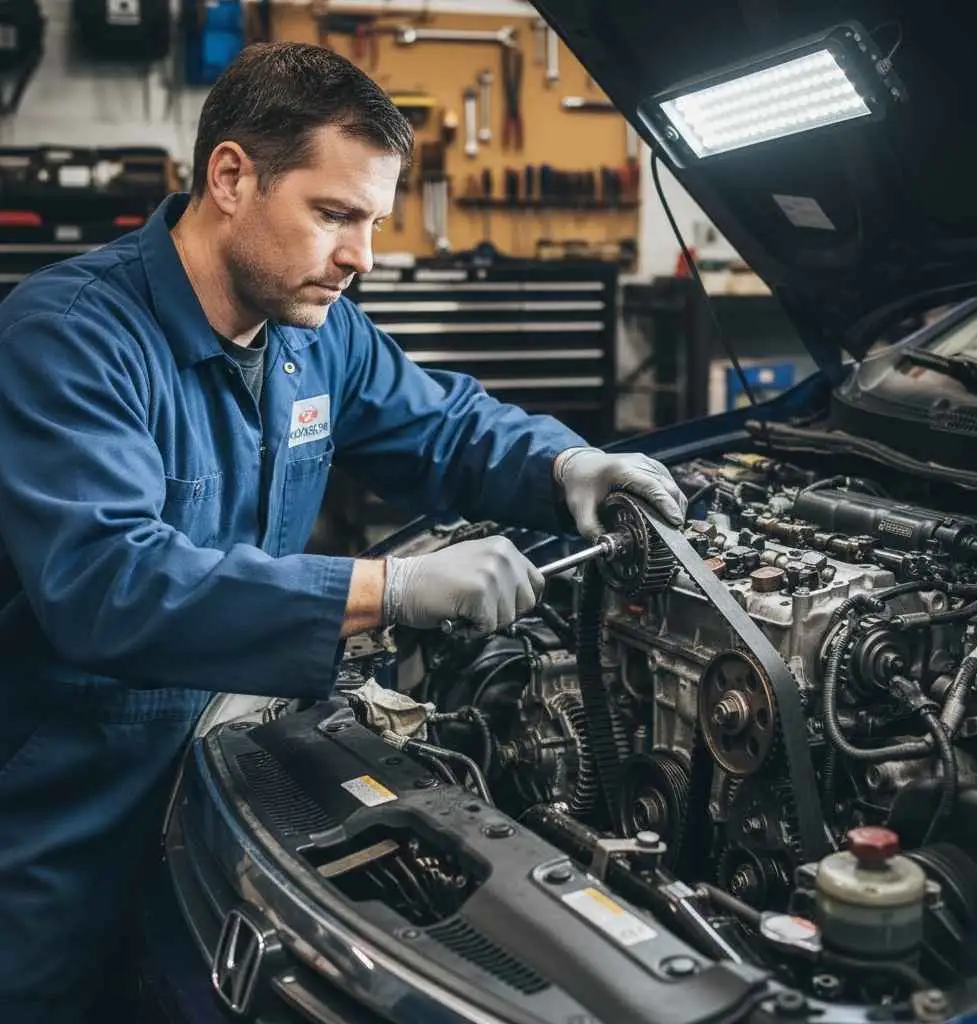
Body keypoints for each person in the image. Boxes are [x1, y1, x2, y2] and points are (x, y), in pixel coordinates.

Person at [0, 42, 685, 1023]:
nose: (361, 256)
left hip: (231, 763)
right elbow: (109, 579)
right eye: (334, 215)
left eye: (371, 221)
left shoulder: (311, 334)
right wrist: (388, 590)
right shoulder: (70, 335)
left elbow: (444, 423)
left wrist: (563, 464)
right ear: (231, 176)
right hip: (63, 809)